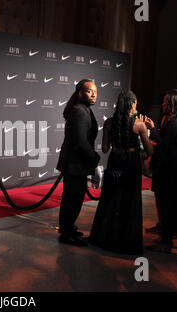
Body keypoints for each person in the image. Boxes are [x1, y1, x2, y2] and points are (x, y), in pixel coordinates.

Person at [88, 91, 153, 254]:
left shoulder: (109, 123)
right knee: (130, 201)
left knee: (110, 200)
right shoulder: (139, 124)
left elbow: (104, 149)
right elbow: (149, 150)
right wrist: (152, 130)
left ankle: (105, 238)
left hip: (115, 160)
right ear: (132, 104)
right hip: (131, 163)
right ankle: (126, 241)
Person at [146, 89, 177, 253]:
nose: (163, 104)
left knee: (168, 201)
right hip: (170, 163)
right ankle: (165, 231)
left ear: (175, 103)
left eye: (166, 101)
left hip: (171, 166)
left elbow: (165, 144)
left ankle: (166, 241)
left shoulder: (176, 122)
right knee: (165, 200)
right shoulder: (172, 119)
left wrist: (152, 130)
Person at [56, 79, 100, 246]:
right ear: (80, 93)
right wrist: (94, 157)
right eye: (90, 91)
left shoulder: (83, 109)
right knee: (72, 199)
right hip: (75, 164)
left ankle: (68, 228)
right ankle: (66, 234)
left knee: (73, 198)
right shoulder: (80, 111)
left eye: (96, 91)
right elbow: (81, 142)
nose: (94, 94)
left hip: (76, 164)